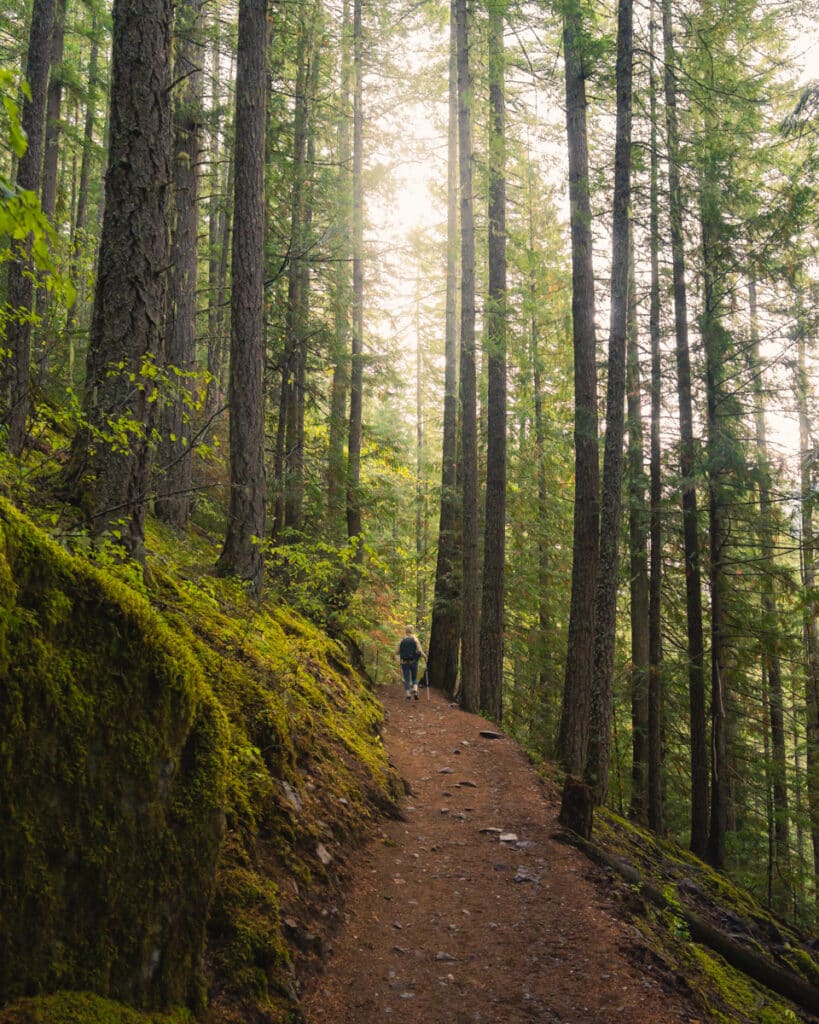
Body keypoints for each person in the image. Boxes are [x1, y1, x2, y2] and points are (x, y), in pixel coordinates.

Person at [398, 626, 426, 701]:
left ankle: (408, 695)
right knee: (414, 677)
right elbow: (420, 651)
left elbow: (397, 651)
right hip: (414, 662)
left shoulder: (402, 640)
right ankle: (415, 691)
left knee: (407, 679)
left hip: (404, 662)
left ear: (406, 631)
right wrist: (424, 657)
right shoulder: (415, 639)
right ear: (412, 631)